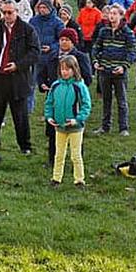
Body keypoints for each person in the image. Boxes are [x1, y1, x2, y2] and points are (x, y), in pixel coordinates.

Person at [0, 1, 40, 154]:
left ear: (17, 12)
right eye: (4, 13)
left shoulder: (27, 30)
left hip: (17, 79)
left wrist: (18, 65)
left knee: (20, 115)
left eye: (10, 12)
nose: (7, 16)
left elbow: (35, 52)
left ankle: (25, 146)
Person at [37, 28, 91, 166]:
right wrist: (42, 83)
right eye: (61, 39)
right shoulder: (53, 55)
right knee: (53, 131)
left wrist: (77, 87)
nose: (64, 42)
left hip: (73, 99)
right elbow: (42, 72)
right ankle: (52, 159)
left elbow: (87, 77)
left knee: (75, 133)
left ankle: (77, 161)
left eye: (67, 40)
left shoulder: (80, 57)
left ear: (73, 42)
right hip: (55, 96)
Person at [45, 54, 92, 188]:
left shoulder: (80, 87)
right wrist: (49, 117)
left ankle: (79, 180)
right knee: (59, 154)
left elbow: (86, 106)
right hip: (59, 127)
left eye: (67, 69)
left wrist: (77, 120)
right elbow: (49, 103)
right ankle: (56, 178)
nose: (64, 72)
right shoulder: (55, 86)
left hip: (75, 128)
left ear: (74, 69)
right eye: (62, 69)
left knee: (76, 155)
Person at [91, 4, 136, 136]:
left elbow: (132, 52)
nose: (111, 16)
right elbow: (96, 48)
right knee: (106, 100)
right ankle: (105, 127)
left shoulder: (127, 32)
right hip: (104, 71)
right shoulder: (103, 31)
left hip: (119, 72)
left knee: (121, 101)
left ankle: (123, 128)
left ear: (121, 16)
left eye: (115, 13)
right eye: (110, 13)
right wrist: (96, 62)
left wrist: (123, 66)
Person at [29, 0, 64, 113]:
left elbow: (62, 40)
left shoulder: (58, 22)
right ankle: (29, 108)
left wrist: (52, 47)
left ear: (50, 8)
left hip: (51, 58)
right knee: (31, 83)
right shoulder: (33, 21)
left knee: (52, 84)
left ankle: (51, 107)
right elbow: (29, 36)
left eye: (44, 7)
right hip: (36, 57)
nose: (42, 10)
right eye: (40, 7)